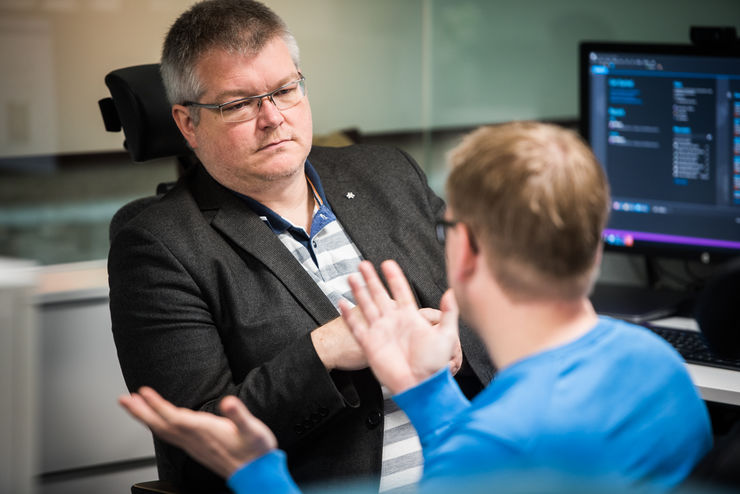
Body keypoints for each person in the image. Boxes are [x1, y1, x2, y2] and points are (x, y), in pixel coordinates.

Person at [120, 121, 713, 493]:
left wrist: (256, 471)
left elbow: (490, 456)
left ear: (467, 250)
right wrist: (426, 392)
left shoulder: (494, 450)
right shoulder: (658, 366)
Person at [108, 0, 493, 492]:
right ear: (187, 123)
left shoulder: (387, 173)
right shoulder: (159, 246)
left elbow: (490, 304)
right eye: (238, 104)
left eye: (285, 90)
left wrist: (455, 337)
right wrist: (326, 349)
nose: (272, 118)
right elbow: (200, 443)